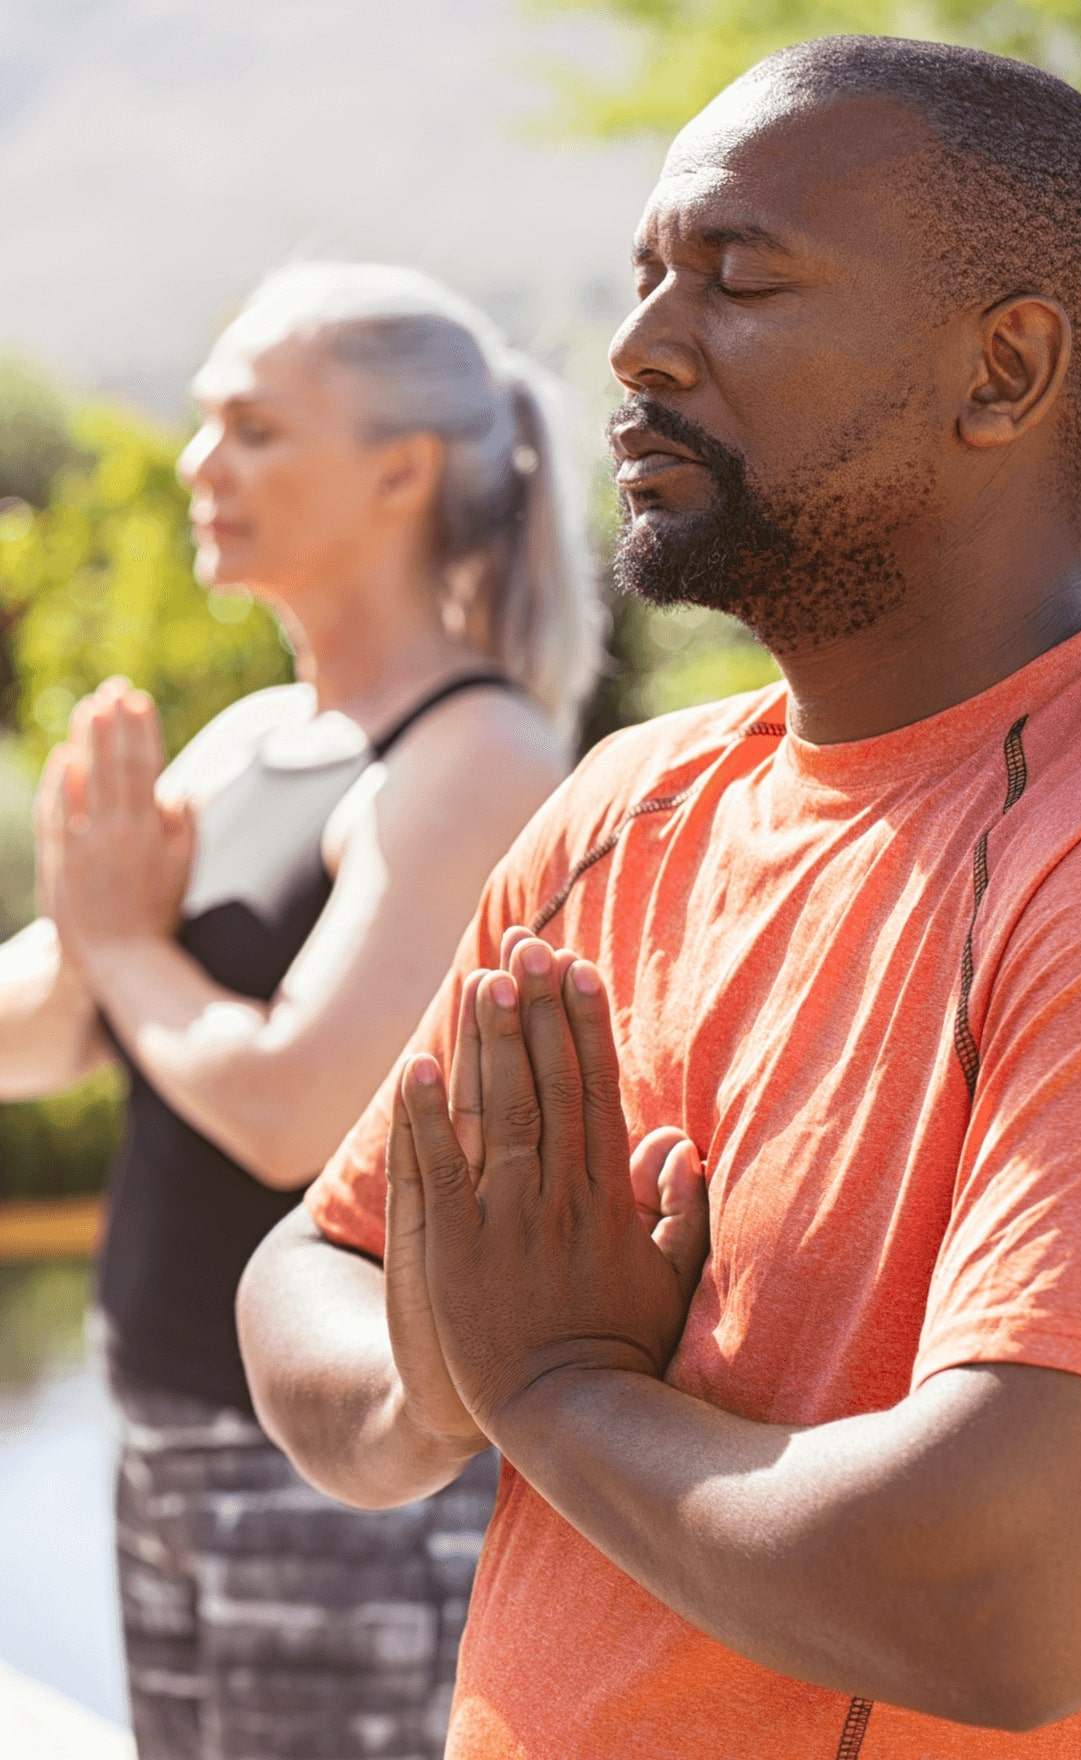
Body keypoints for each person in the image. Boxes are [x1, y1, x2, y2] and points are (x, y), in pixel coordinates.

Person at [239, 39, 1081, 1760]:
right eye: (643, 279)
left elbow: (1016, 1595)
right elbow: (307, 1276)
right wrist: (447, 1373)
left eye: (739, 278)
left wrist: (553, 1390)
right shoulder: (630, 809)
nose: (638, 348)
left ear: (1002, 371)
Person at [0, 261, 603, 1759]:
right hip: (179, 1444)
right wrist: (105, 949)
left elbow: (290, 1114)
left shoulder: (476, 761)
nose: (201, 464)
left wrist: (126, 945)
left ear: (402, 469)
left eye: (254, 429)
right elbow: (46, 1026)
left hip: (341, 1481)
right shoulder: (257, 739)